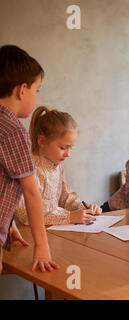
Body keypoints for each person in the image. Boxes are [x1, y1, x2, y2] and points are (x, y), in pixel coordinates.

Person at [0, 45, 59, 272]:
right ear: (22, 90)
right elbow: (31, 191)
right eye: (37, 90)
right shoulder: (14, 131)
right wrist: (42, 246)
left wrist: (9, 221)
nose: (36, 96)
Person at [16, 106, 102, 226]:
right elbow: (25, 215)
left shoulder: (57, 167)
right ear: (42, 141)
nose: (68, 154)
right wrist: (69, 217)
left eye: (70, 148)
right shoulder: (27, 169)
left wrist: (83, 208)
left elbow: (66, 197)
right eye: (63, 148)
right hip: (31, 236)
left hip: (55, 233)